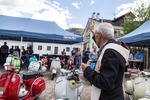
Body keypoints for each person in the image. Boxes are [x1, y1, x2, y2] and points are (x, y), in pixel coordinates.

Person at [81, 21, 129, 100]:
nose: (95, 36)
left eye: (97, 35)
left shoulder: (110, 52)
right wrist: (94, 31)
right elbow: (102, 44)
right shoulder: (115, 47)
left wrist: (87, 70)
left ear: (99, 35)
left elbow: (105, 82)